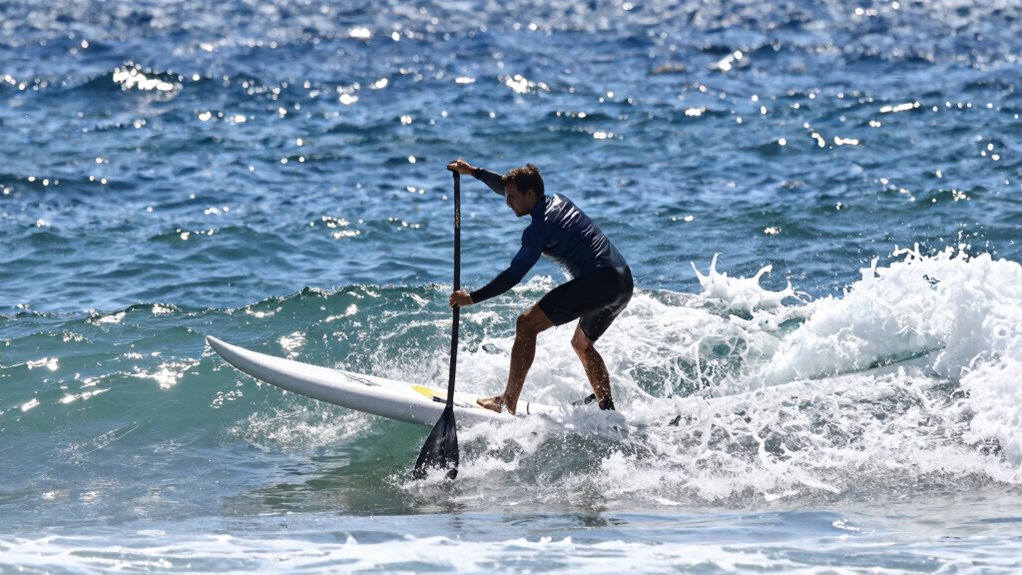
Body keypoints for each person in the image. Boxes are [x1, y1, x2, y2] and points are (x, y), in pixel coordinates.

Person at [446, 159, 633, 415]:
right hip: (622, 281)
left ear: (530, 194)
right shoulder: (556, 199)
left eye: (512, 197)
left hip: (598, 281)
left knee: (526, 324)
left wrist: (473, 298)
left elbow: (514, 274)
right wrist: (474, 173)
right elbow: (504, 185)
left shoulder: (539, 228)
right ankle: (606, 409)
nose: (507, 201)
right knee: (582, 344)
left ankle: (507, 401)